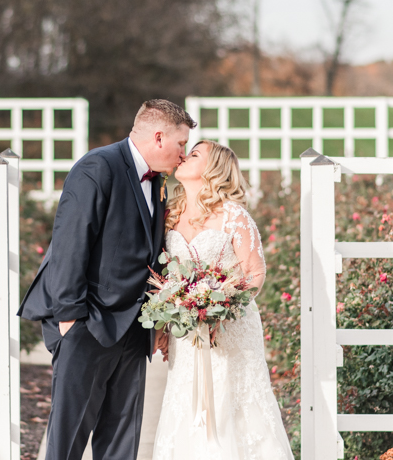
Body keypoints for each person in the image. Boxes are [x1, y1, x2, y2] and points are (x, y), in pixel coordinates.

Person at [16, 99, 192, 460]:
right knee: (68, 441)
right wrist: (70, 319)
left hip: (133, 327)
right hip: (87, 322)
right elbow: (70, 243)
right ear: (159, 137)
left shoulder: (157, 181)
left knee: (121, 440)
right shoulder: (98, 166)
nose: (184, 154)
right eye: (181, 144)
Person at [153, 140, 294, 459]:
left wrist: (220, 310)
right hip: (186, 335)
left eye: (195, 154)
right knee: (187, 405)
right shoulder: (171, 214)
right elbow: (167, 277)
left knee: (232, 405)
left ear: (213, 168)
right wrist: (166, 321)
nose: (184, 156)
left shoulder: (233, 216)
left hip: (230, 331)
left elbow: (255, 272)